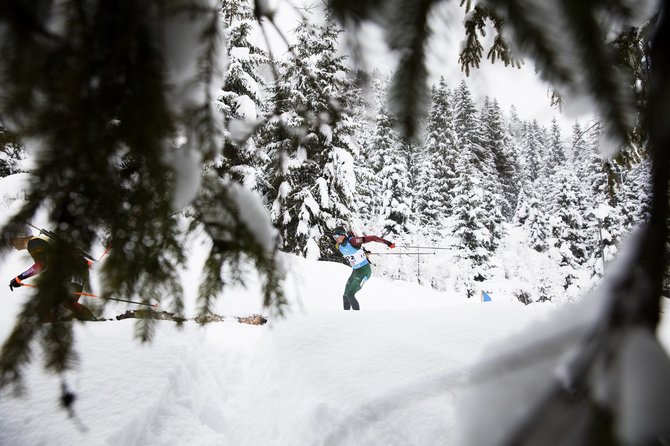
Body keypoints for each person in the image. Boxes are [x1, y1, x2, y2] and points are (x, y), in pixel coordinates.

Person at [7, 226, 96, 322]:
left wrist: (19, 278)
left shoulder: (34, 243)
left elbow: (41, 265)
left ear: (21, 237)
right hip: (71, 272)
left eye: (12, 239)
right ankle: (79, 321)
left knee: (58, 305)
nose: (11, 243)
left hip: (73, 272)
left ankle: (92, 321)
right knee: (44, 308)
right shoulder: (37, 242)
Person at [331, 226, 395, 311]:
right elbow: (355, 253)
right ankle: (345, 318)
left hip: (364, 271)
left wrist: (388, 243)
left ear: (343, 235)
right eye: (334, 237)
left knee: (350, 294)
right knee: (345, 295)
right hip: (355, 271)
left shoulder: (353, 241)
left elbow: (372, 238)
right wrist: (363, 253)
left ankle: (357, 318)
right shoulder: (339, 246)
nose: (335, 239)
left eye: (336, 236)